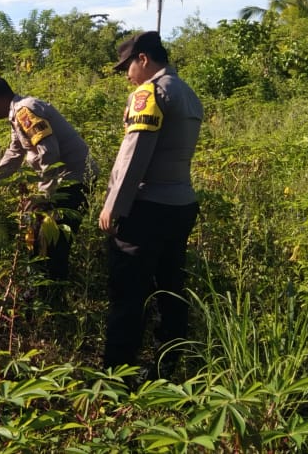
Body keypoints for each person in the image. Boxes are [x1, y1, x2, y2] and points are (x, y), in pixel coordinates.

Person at [98, 31, 203, 376]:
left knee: (128, 294)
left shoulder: (149, 93)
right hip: (181, 204)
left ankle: (116, 375)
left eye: (127, 66)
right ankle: (166, 368)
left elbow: (135, 154)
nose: (126, 75)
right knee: (169, 289)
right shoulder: (187, 92)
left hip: (147, 209)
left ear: (143, 59)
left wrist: (114, 204)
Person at [0, 76, 97, 294]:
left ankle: (50, 298)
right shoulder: (17, 115)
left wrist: (44, 196)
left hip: (73, 182)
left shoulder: (25, 112)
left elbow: (49, 153)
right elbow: (15, 152)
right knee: (41, 238)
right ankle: (42, 293)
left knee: (53, 244)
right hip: (62, 182)